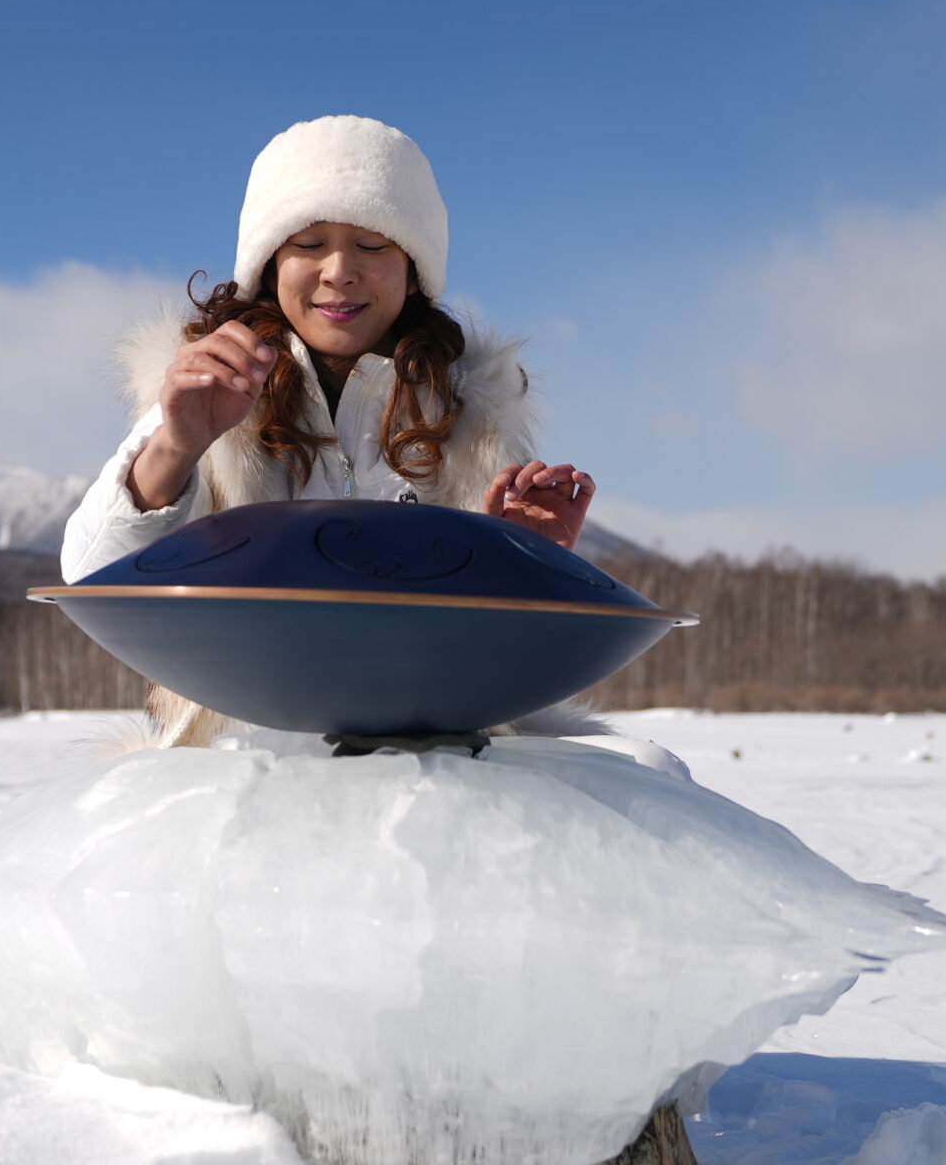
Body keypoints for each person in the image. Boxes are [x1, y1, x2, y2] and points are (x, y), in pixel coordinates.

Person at [63, 115, 609, 749]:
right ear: (269, 263)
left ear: (414, 269)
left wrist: (524, 563)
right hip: (241, 766)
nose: (340, 270)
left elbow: (490, 653)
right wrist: (176, 447)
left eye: (373, 244)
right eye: (309, 242)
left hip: (436, 761)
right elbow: (92, 575)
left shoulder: (473, 412)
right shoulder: (210, 383)